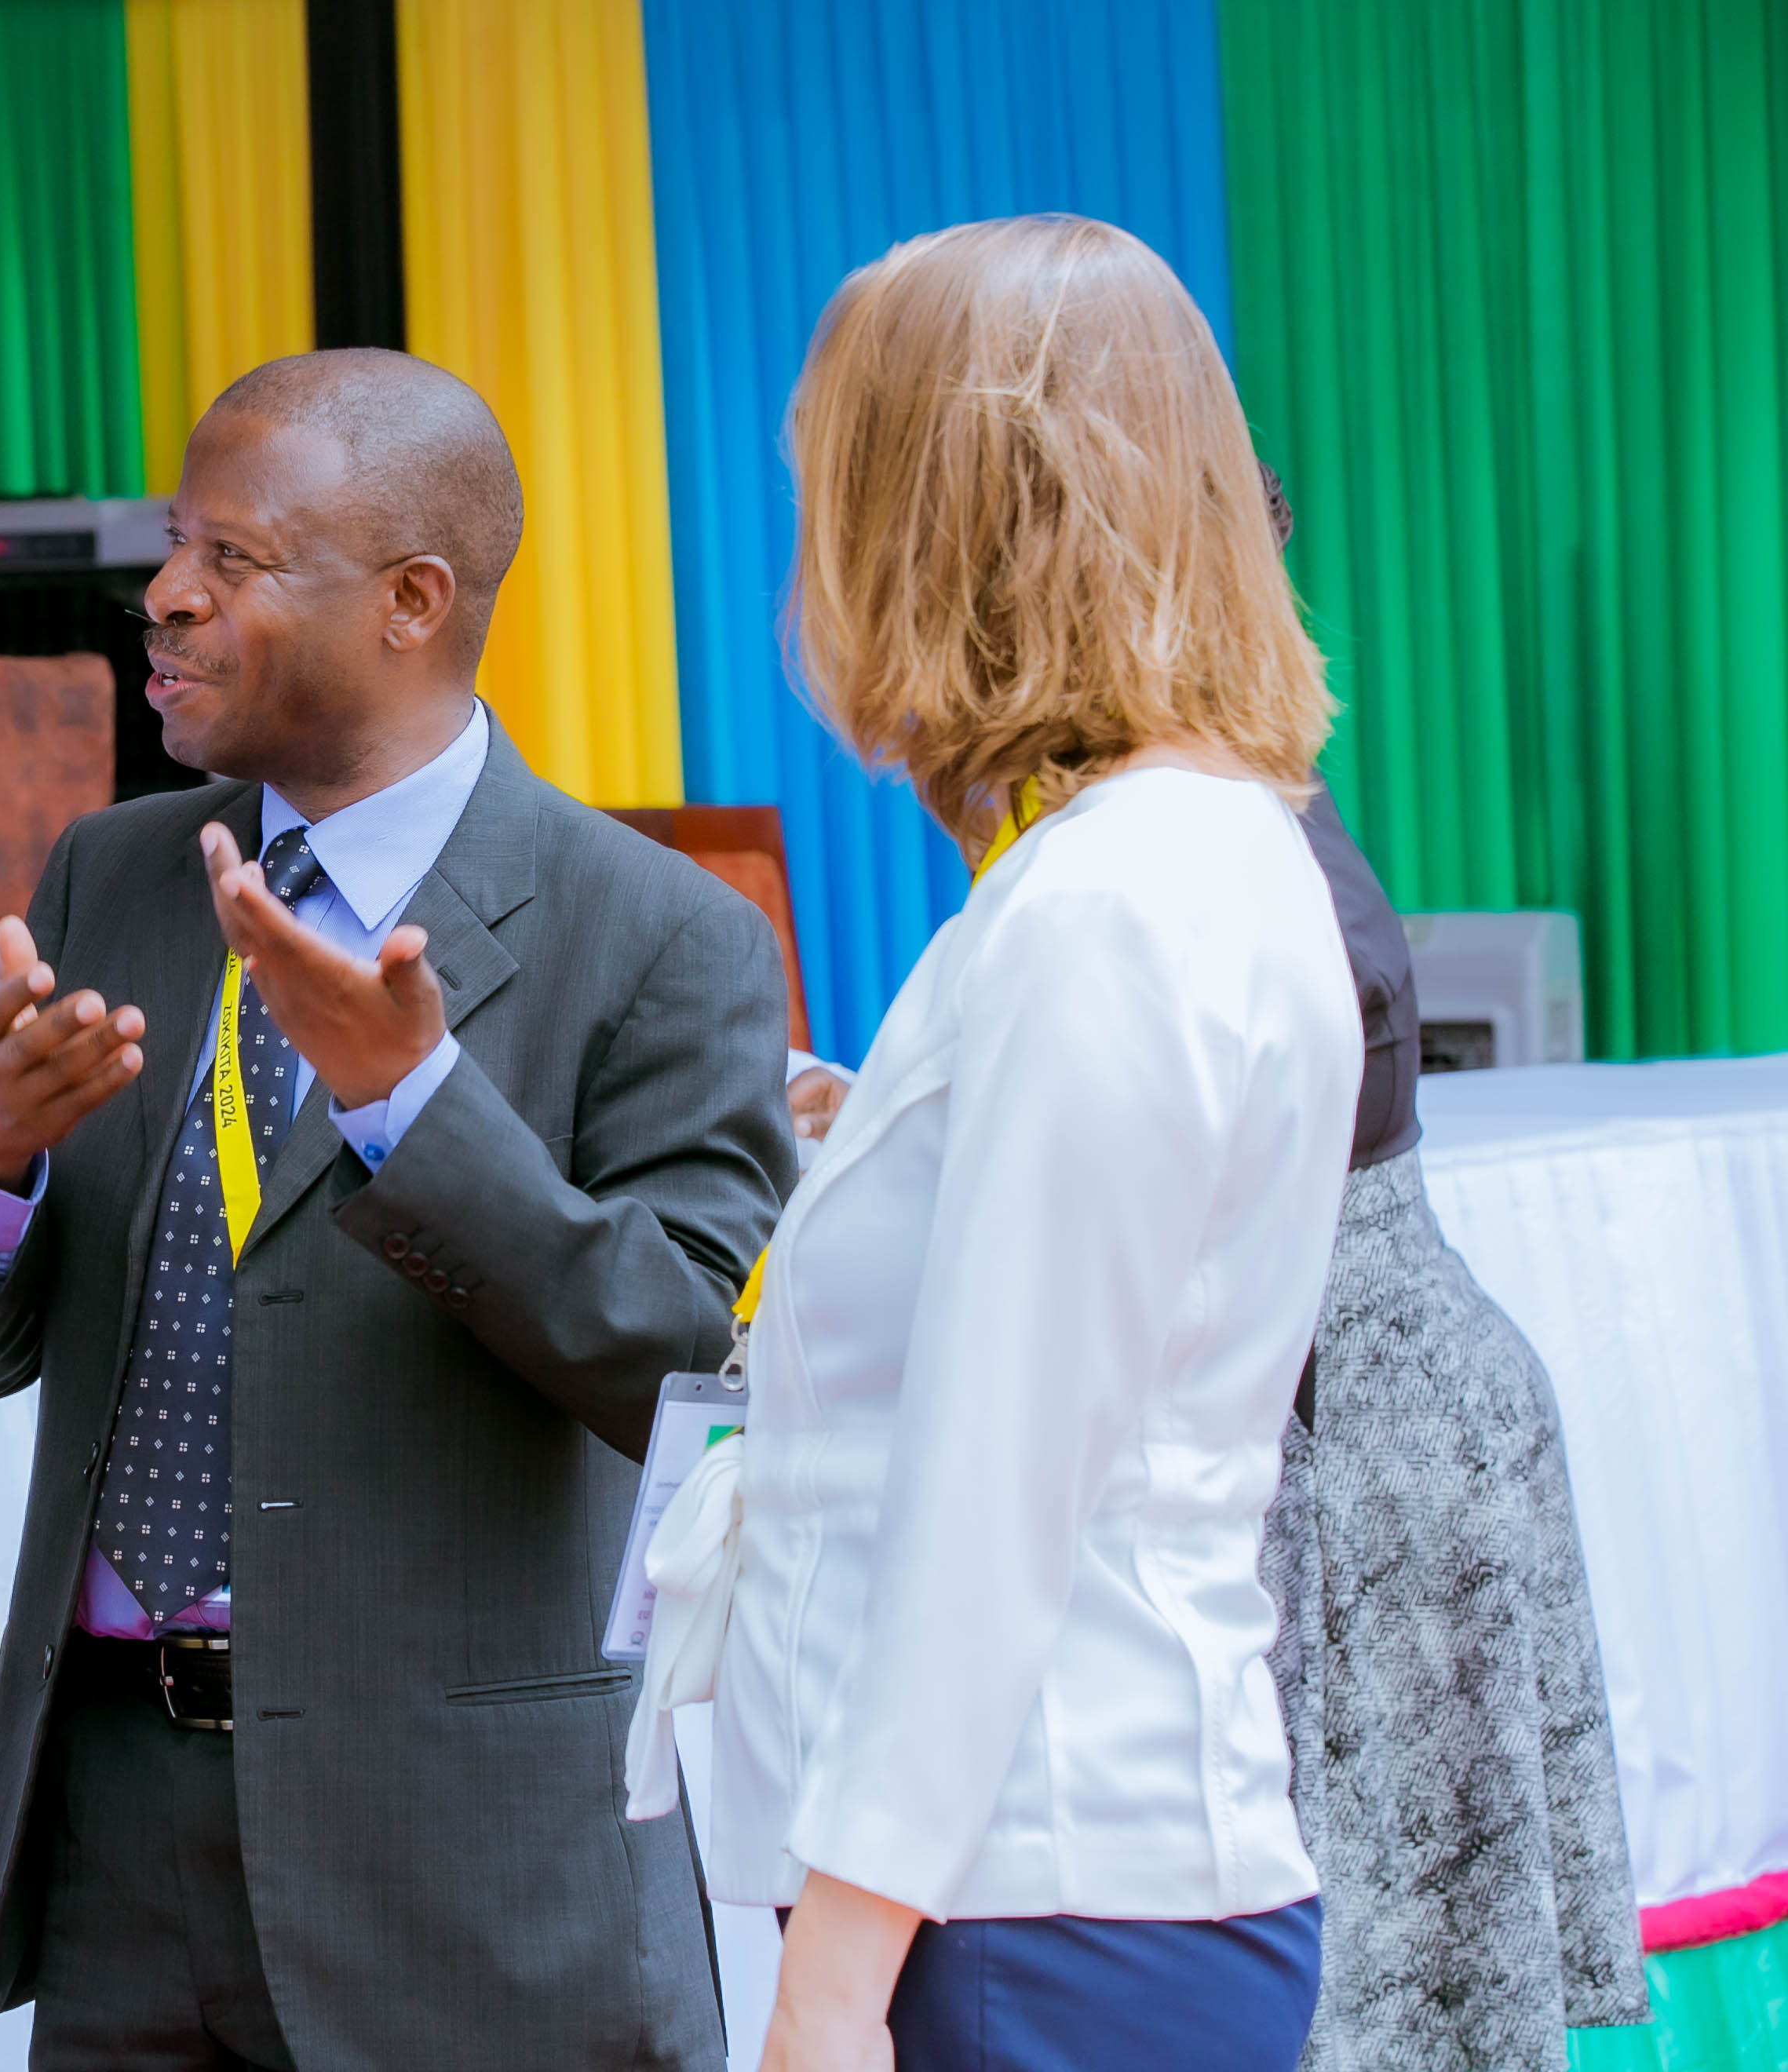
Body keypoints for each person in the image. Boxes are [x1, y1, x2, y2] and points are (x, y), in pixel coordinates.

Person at [0, 348, 797, 2070]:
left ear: (410, 602)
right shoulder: (113, 873)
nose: (163, 596)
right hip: (113, 1829)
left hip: (465, 1869)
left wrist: (416, 1107)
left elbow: (691, 1375)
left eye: (232, 561)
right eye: (178, 545)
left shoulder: (663, 937)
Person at [627, 215, 1356, 2072]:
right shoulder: (1145, 859)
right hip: (1009, 1885)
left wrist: (825, 1991)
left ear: (934, 524)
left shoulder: (1108, 905)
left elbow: (991, 1501)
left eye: (825, 493)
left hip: (1025, 1905)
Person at [1253, 471, 1648, 2070]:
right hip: (1364, 1422)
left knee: (1395, 2010)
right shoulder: (1236, 792)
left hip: (1369, 1449)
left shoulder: (1228, 821)